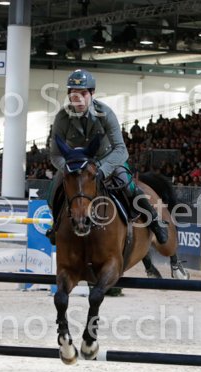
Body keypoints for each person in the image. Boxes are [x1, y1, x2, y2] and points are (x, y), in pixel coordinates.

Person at [46, 69, 167, 245]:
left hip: (106, 160)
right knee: (53, 191)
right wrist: (67, 168)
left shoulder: (106, 113)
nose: (79, 99)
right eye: (74, 94)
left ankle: (154, 222)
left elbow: (121, 150)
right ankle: (55, 225)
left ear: (92, 93)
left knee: (129, 186)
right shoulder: (62, 117)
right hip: (75, 165)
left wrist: (102, 170)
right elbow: (55, 154)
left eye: (83, 93)